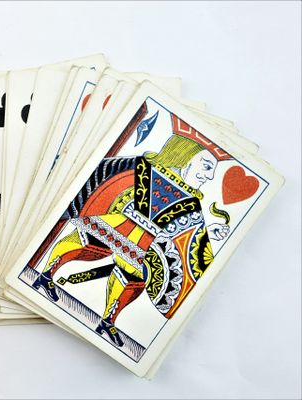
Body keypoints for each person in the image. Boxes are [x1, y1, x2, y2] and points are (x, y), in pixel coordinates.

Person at [32, 119, 231, 347]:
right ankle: (45, 275)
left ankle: (108, 321)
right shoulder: (143, 167)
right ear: (185, 155)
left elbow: (183, 233)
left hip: (145, 244)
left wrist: (210, 231)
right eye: (206, 166)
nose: (209, 176)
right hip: (116, 222)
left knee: (133, 278)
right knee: (90, 244)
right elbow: (103, 176)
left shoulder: (191, 200)